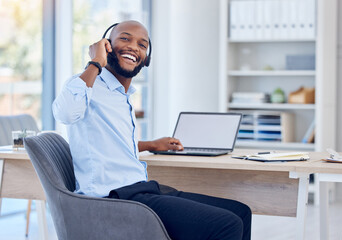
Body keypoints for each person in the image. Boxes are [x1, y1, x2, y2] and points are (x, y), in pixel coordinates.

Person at [53, 20, 251, 240]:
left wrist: (151, 145)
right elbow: (65, 114)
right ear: (106, 45)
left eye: (142, 44)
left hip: (139, 190)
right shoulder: (87, 85)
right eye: (125, 38)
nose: (133, 47)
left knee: (241, 212)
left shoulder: (121, 95)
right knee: (227, 224)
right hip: (113, 198)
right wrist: (95, 63)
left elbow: (107, 142)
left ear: (146, 59)